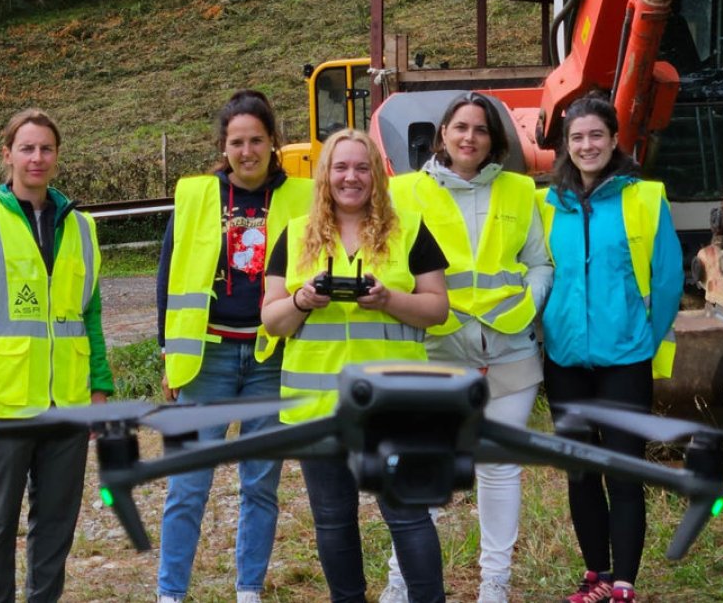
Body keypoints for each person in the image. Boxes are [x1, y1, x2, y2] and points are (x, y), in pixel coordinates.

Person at [260, 128, 450, 603]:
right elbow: (272, 320)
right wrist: (302, 299)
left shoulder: (410, 229)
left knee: (407, 515)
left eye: (362, 167)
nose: (351, 177)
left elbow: (438, 309)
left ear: (376, 176)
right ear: (325, 175)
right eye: (341, 167)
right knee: (332, 520)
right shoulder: (295, 234)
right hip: (318, 406)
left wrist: (388, 299)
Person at [384, 92, 553, 603]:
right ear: (442, 134)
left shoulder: (521, 190)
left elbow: (539, 262)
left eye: (480, 129)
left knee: (498, 467)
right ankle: (402, 581)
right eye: (460, 127)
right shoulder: (404, 192)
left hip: (508, 350)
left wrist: (529, 305)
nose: (469, 137)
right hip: (436, 350)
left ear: (494, 139)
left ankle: (494, 585)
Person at [0, 108, 114, 603]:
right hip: (4, 404)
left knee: (56, 526)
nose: (37, 158)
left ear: (57, 156)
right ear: (7, 155)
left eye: (46, 148)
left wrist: (99, 387)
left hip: (68, 404)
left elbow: (90, 315)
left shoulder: (81, 228)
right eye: (27, 148)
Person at [155, 89, 312, 603]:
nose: (247, 152)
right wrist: (167, 353)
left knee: (260, 484)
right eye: (237, 142)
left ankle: (248, 590)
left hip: (271, 357)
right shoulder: (196, 194)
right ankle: (171, 593)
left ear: (274, 142)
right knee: (187, 486)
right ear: (223, 146)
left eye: (257, 141)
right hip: (208, 357)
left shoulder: (302, 197)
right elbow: (168, 275)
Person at [540, 95, 683, 603]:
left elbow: (667, 279)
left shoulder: (642, 197)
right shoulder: (546, 203)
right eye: (577, 137)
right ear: (565, 144)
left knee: (623, 470)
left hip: (625, 360)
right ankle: (595, 575)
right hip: (564, 361)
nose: (586, 145)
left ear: (614, 139)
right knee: (581, 472)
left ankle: (624, 582)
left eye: (596, 135)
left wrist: (641, 335)